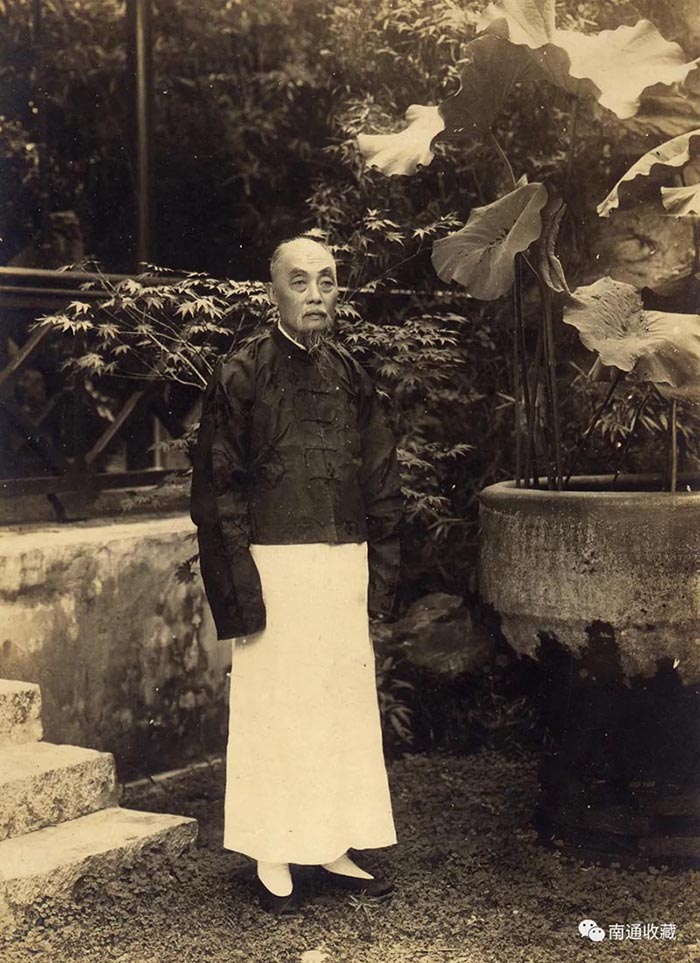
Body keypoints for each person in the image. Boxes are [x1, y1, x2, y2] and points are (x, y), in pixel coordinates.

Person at [190, 236, 404, 915]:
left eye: (327, 281)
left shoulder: (351, 375)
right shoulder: (241, 375)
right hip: (274, 566)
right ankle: (273, 853)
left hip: (342, 561)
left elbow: (380, 477)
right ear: (273, 291)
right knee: (278, 708)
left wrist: (380, 573)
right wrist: (241, 590)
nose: (315, 294)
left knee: (339, 705)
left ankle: (334, 842)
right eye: (300, 280)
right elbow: (218, 490)